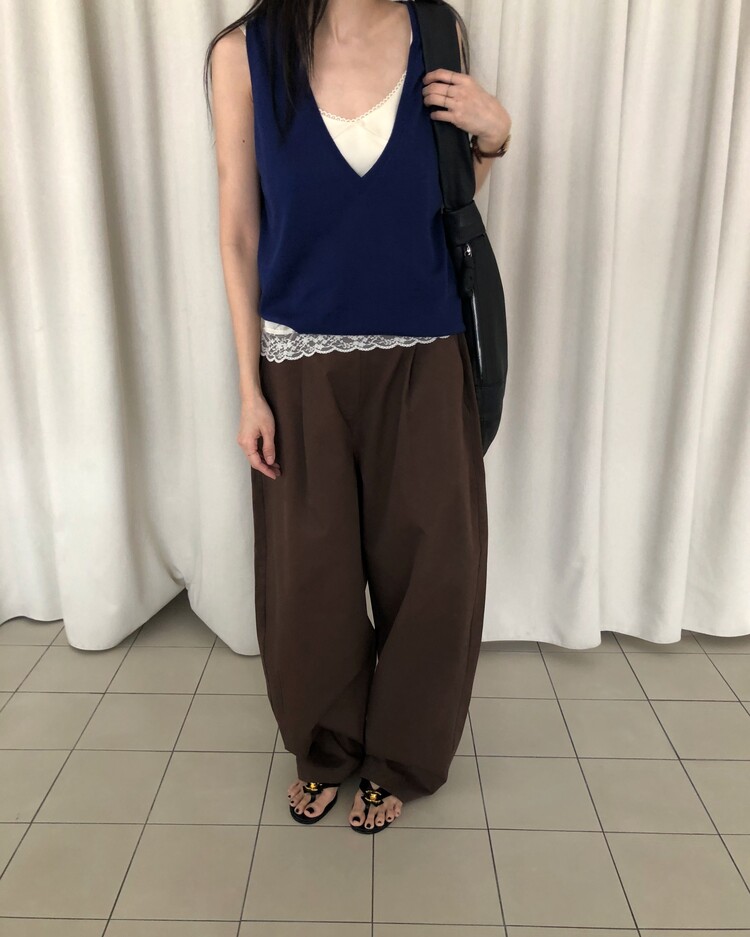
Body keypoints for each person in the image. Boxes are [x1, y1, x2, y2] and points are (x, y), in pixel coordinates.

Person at [205, 0, 511, 834]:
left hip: (426, 350)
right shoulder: (244, 54)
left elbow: (438, 198)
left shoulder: (438, 32)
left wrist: (492, 138)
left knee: (435, 570)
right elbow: (239, 231)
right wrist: (249, 388)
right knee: (311, 575)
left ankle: (402, 754)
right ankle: (326, 745)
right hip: (299, 361)